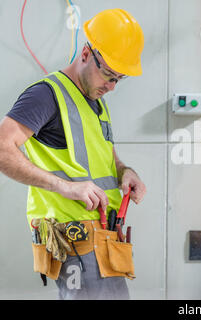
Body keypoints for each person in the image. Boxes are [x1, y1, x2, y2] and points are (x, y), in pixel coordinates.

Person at [0, 8, 147, 299]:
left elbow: (107, 158)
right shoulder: (46, 94)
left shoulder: (97, 101)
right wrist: (65, 187)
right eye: (107, 74)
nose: (112, 86)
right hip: (77, 242)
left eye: (119, 78)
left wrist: (125, 171)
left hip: (106, 239)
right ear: (85, 53)